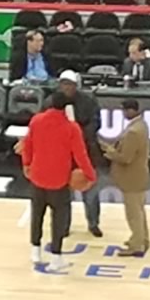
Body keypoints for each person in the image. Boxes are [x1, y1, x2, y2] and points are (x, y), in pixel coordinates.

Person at [18, 90, 96, 274]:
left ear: (51, 103)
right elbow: (80, 155)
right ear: (67, 107)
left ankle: (35, 251)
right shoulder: (71, 128)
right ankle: (56, 257)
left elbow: (26, 145)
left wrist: (26, 164)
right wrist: (90, 174)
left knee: (37, 216)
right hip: (59, 180)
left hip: (37, 176)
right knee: (58, 220)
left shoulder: (36, 120)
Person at [57, 70, 105, 238]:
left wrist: (77, 135)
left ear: (76, 85)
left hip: (86, 149)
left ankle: (93, 223)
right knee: (63, 194)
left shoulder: (89, 100)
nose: (66, 87)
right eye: (63, 84)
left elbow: (96, 122)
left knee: (90, 190)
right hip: (63, 152)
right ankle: (63, 226)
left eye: (69, 84)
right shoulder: (53, 101)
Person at [101, 98, 150, 258]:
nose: (123, 114)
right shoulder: (141, 125)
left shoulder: (133, 132)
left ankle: (137, 246)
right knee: (139, 211)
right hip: (139, 175)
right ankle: (142, 239)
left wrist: (109, 152)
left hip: (132, 177)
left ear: (131, 110)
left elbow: (125, 158)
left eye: (124, 110)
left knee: (133, 214)